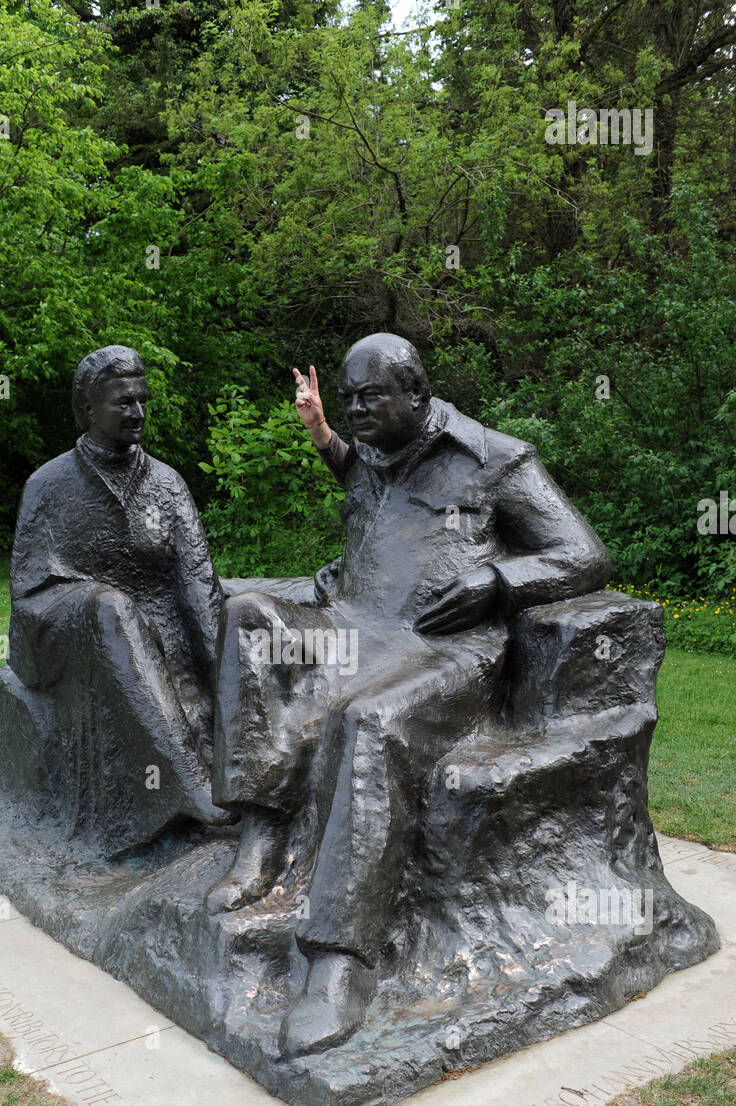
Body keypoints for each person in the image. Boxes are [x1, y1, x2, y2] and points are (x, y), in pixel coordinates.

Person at [207, 333, 610, 1057]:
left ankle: (339, 961)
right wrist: (321, 430)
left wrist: (499, 582)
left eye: (371, 398)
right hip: (354, 627)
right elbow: (359, 474)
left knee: (367, 721)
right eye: (350, 398)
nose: (357, 410)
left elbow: (583, 553)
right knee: (245, 618)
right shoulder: (372, 451)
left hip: (446, 649)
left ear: (417, 396)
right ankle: (261, 829)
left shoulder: (497, 459)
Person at [8, 345, 229, 855]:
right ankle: (186, 781)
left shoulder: (167, 484)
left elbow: (198, 588)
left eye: (142, 400)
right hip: (60, 624)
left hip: (151, 621)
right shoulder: (48, 483)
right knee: (110, 607)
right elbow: (28, 591)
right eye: (123, 403)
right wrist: (102, 606)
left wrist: (227, 692)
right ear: (89, 410)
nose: (138, 413)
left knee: (235, 610)